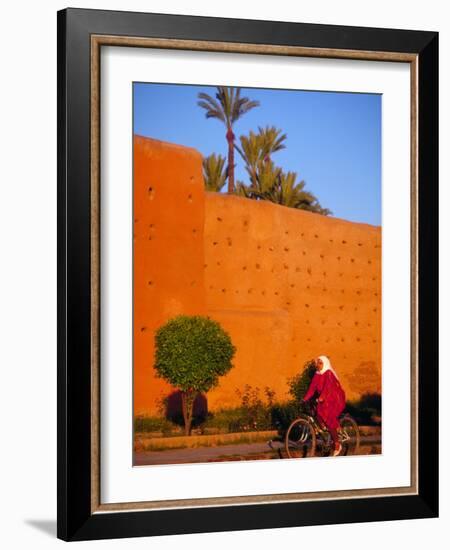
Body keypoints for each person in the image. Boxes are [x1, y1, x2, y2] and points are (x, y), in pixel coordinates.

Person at [302, 355, 346, 456]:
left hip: (335, 399)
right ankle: (329, 433)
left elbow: (328, 387)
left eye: (320, 363)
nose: (318, 365)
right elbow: (312, 388)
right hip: (324, 399)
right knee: (317, 414)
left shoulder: (329, 373)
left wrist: (321, 397)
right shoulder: (317, 374)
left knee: (329, 419)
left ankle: (337, 444)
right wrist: (305, 398)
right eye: (317, 363)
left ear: (325, 364)